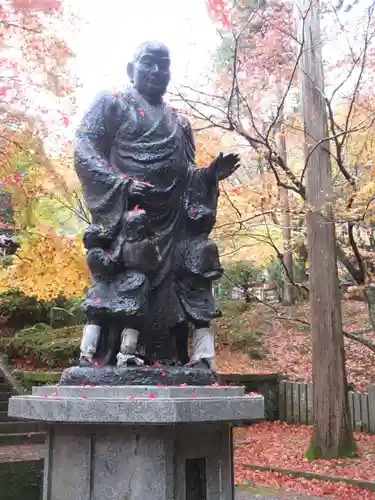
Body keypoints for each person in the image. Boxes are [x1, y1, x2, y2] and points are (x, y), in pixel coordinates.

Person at [75, 40, 240, 368]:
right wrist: (121, 185)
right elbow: (84, 148)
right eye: (148, 62)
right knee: (127, 285)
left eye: (163, 65)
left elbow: (186, 172)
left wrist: (208, 176)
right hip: (131, 219)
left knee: (178, 289)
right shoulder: (113, 104)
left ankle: (168, 357)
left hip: (172, 223)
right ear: (131, 69)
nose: (156, 71)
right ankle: (110, 354)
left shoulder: (180, 122)